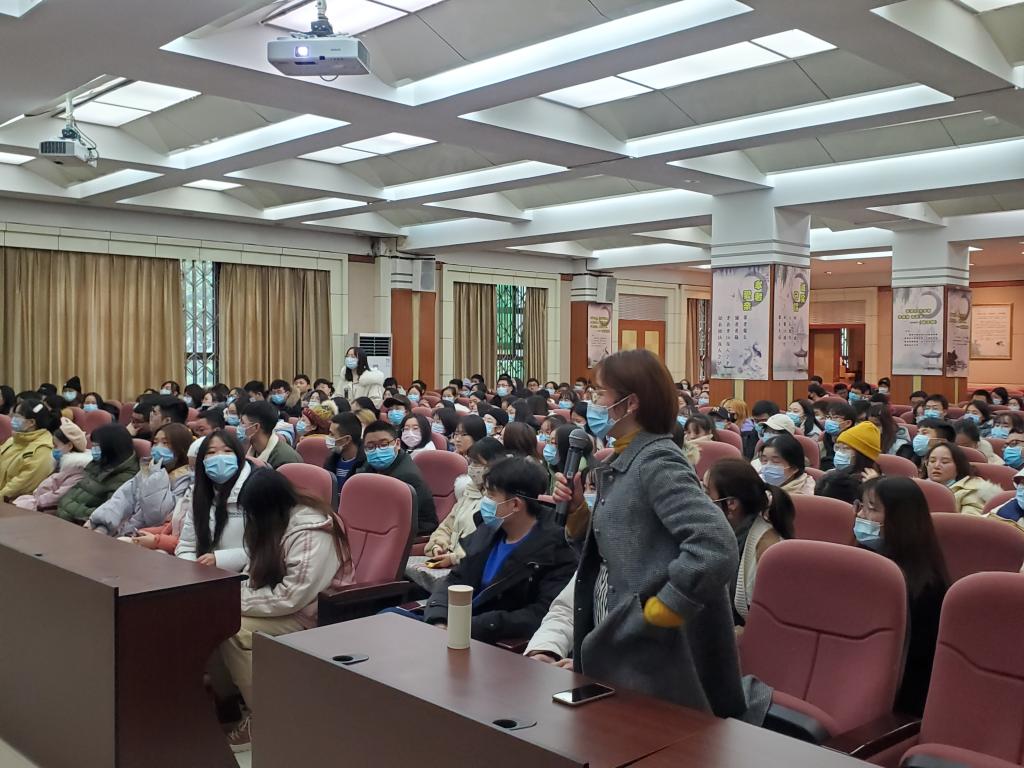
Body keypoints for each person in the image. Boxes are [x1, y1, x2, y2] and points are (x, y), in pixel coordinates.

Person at [552, 349, 752, 717]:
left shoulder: (657, 460)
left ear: (630, 403)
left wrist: (667, 607)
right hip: (619, 637)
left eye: (600, 394)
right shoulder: (621, 460)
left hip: (651, 652)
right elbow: (619, 544)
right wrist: (579, 511)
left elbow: (716, 544)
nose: (593, 403)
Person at [219, 469, 350, 752]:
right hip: (287, 606)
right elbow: (254, 571)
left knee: (231, 628)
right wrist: (231, 595)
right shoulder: (276, 522)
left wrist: (233, 601)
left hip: (315, 613)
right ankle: (229, 703)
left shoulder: (311, 532)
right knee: (211, 619)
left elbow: (291, 597)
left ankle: (264, 716)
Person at [421, 456, 576, 643]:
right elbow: (454, 580)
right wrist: (439, 619)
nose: (485, 501)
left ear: (516, 504)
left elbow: (540, 612)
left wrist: (470, 626)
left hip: (490, 639)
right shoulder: (488, 531)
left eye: (491, 495)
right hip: (454, 627)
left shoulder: (556, 548)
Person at [853, 477, 949, 716]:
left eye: (872, 509)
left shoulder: (926, 588)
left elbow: (916, 672)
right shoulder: (857, 563)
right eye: (861, 506)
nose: (861, 516)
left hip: (892, 703)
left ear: (901, 520)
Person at [705, 458, 795, 624]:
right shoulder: (720, 530)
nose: (701, 500)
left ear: (731, 503)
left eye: (706, 493)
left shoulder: (767, 549)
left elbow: (768, 620)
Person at [86, 423, 194, 536]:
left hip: (149, 537)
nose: (158, 447)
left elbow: (157, 516)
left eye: (165, 443)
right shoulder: (148, 469)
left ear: (180, 447)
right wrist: (101, 525)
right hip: (125, 531)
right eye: (155, 443)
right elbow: (122, 498)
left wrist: (155, 476)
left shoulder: (186, 480)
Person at [422, 437, 505, 568]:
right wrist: (438, 546)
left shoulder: (499, 501)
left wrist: (454, 558)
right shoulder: (469, 492)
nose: (472, 468)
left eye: (477, 463)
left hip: (471, 566)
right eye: (471, 462)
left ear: (494, 465)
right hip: (451, 562)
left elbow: (487, 544)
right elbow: (447, 527)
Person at [175, 430, 253, 569]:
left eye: (227, 451)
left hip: (247, 575)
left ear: (239, 456)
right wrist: (193, 569)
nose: (219, 457)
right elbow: (187, 546)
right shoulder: (198, 494)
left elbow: (266, 550)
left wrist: (219, 559)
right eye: (211, 452)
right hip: (205, 575)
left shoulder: (256, 489)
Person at [354, 421, 437, 535]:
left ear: (397, 444)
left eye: (384, 445)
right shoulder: (368, 466)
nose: (377, 450)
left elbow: (396, 518)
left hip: (413, 533)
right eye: (370, 447)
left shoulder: (408, 477)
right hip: (379, 526)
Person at [58, 424, 140, 523]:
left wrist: (69, 507)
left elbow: (106, 513)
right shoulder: (98, 464)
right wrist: (67, 504)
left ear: (110, 448)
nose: (93, 450)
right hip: (64, 518)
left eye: (96, 447)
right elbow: (75, 490)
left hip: (83, 525)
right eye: (93, 446)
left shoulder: (125, 477)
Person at [12, 418, 90, 511]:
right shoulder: (59, 465)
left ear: (69, 446)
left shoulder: (78, 470)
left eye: (56, 446)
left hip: (46, 508)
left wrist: (35, 502)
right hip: (38, 502)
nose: (53, 449)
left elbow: (58, 496)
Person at [921, 442, 1002, 516]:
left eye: (945, 462)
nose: (936, 466)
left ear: (958, 466)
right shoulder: (919, 487)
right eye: (932, 461)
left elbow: (968, 523)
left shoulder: (972, 491)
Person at [0, 399, 57, 502]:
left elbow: (17, 487)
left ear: (31, 422)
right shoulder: (14, 440)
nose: (12, 418)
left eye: (17, 416)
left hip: (13, 504)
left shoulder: (43, 449)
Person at [817, 421, 880, 498]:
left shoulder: (872, 483)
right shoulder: (830, 474)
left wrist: (872, 487)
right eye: (837, 447)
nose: (839, 453)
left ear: (862, 455)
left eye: (846, 448)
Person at [238, 401, 302, 468]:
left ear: (256, 427)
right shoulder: (250, 448)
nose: (239, 427)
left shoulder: (286, 460)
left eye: (243, 423)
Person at [543, 423, 592, 493]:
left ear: (565, 446)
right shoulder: (553, 464)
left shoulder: (581, 470)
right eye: (548, 442)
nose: (549, 447)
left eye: (553, 443)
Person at [821, 401, 856, 470]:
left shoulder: (854, 439)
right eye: (829, 417)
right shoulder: (827, 436)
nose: (829, 421)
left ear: (848, 423)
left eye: (835, 417)